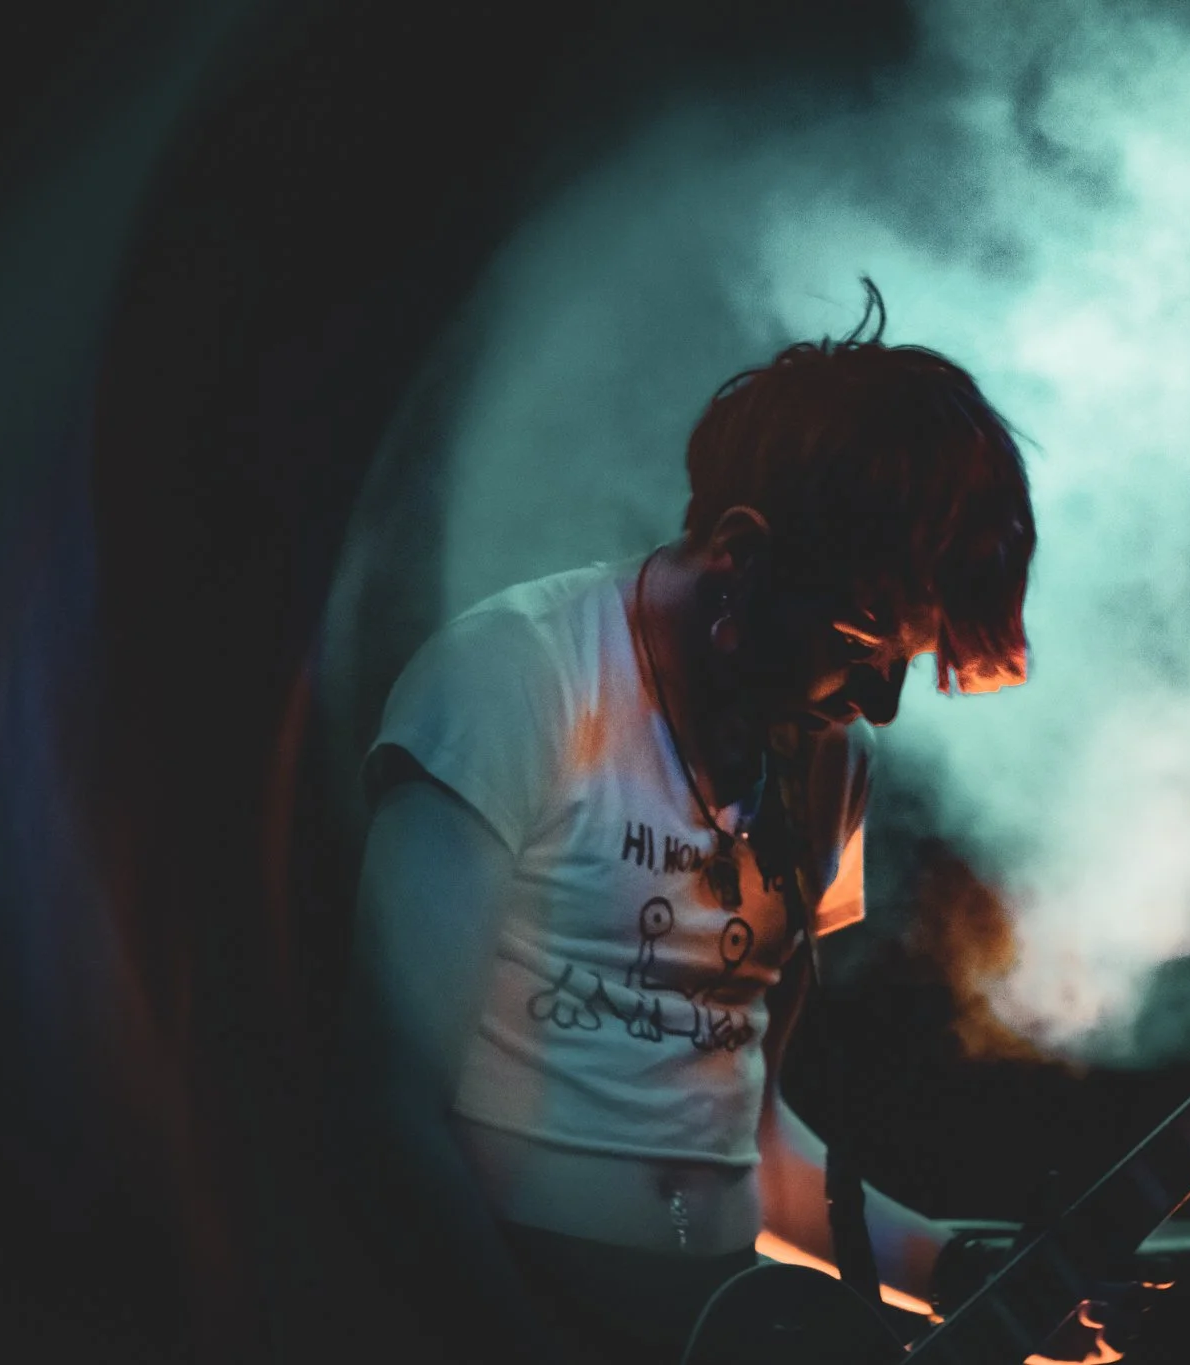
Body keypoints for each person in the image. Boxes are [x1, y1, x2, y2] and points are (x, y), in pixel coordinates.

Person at [339, 283, 1045, 1365]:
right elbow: (387, 1110)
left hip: (719, 1310)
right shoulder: (515, 678)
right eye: (862, 642)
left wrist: (949, 1267)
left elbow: (747, 1146)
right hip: (505, 1302)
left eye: (902, 660)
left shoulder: (827, 763)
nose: (879, 701)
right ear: (737, 552)